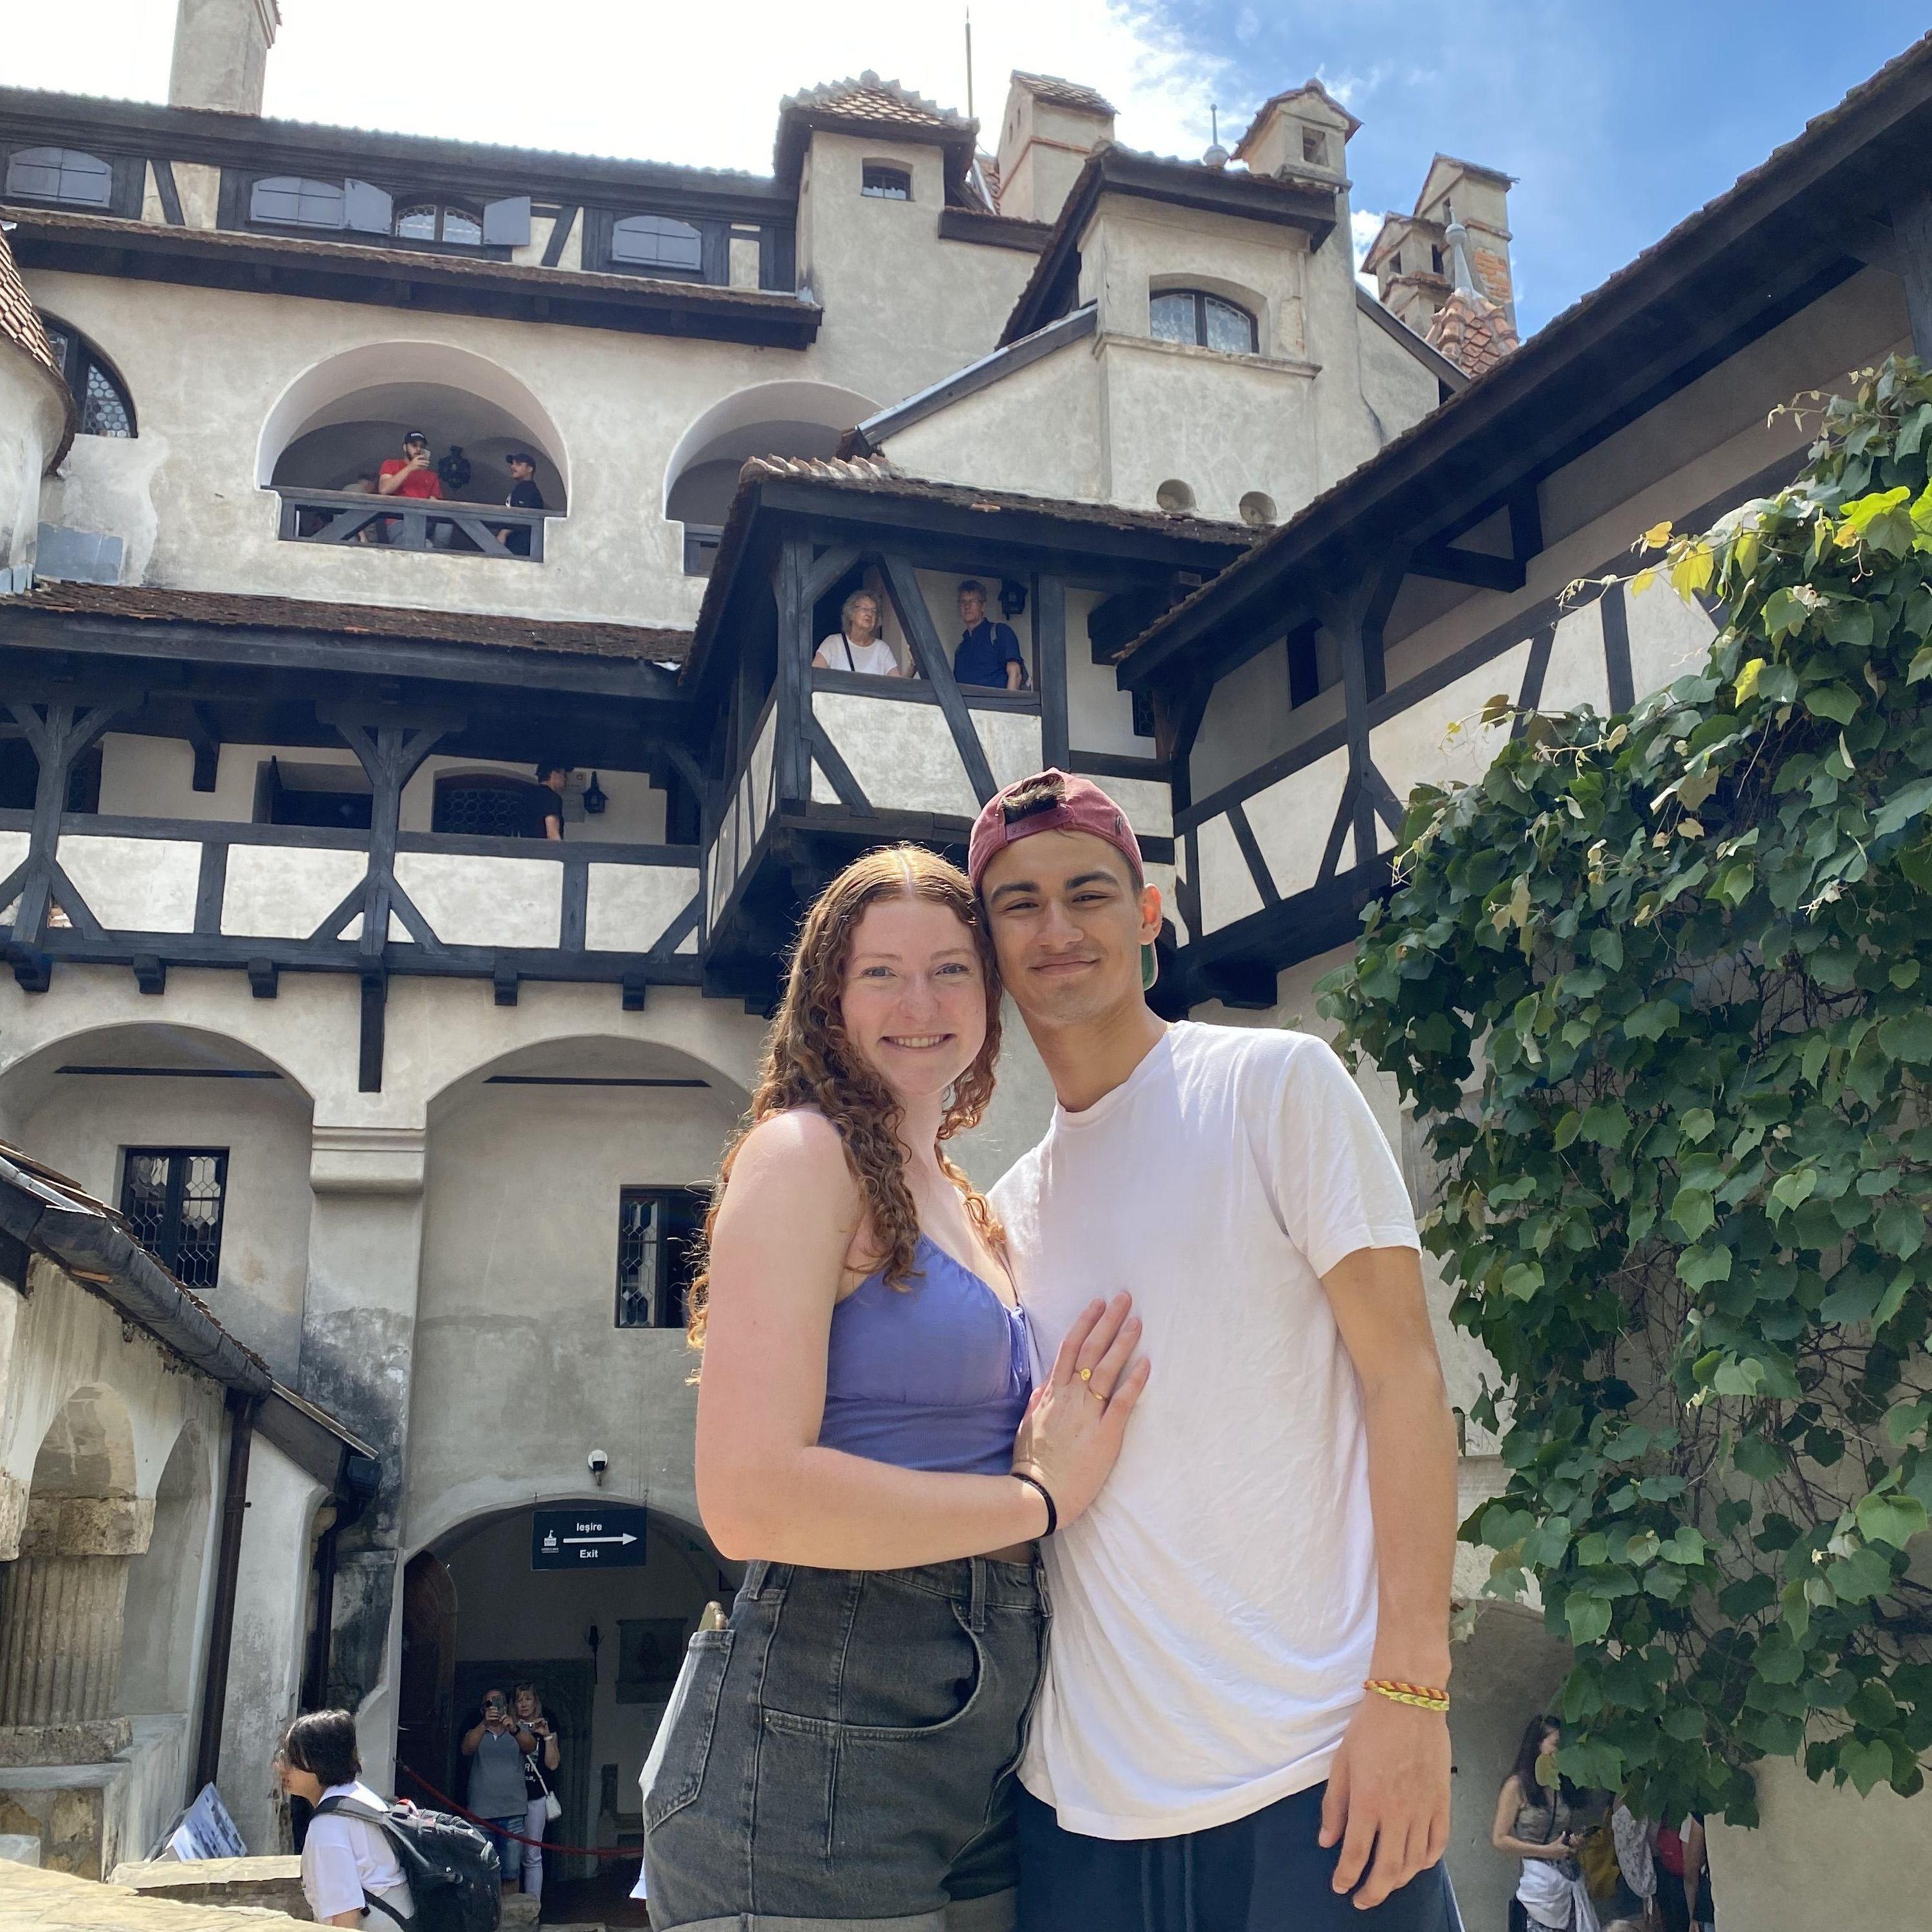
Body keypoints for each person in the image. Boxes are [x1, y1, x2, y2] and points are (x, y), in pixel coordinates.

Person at [965, 768, 1461, 1930]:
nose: (1054, 928)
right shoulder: (1009, 1207)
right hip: (1079, 1808)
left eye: (1086, 892)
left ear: (1146, 914)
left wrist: (1411, 1688)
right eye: (1016, 903)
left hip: (1314, 1774)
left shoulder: (1274, 1084)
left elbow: (1405, 1382)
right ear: (985, 943)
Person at [640, 843, 1149, 1931]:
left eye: (949, 968)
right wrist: (1035, 1500)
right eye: (879, 971)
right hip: (818, 1714)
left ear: (988, 991)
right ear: (827, 993)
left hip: (984, 1727)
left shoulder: (965, 1199)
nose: (916, 1001)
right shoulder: (799, 1152)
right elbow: (748, 1496)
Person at [278, 1709, 415, 1930]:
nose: (281, 1767)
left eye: (292, 1759)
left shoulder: (328, 1825)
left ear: (320, 1762)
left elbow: (345, 1916)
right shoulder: (359, 1797)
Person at [1491, 1717, 1589, 1932]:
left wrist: (1573, 1841)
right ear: (1538, 1745)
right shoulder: (1517, 1786)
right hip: (1537, 1883)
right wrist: (1545, 1851)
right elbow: (1500, 1839)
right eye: (1555, 1745)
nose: (1560, 1752)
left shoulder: (1564, 1783)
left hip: (1567, 1880)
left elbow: (1565, 1827)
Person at [462, 1686, 539, 1896]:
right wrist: (484, 1724)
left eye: (498, 1702)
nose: (494, 1707)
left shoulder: (517, 1731)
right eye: (489, 1703)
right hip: (481, 1815)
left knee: (512, 1873)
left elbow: (531, 1746)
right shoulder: (477, 1732)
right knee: (481, 1872)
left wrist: (513, 1729)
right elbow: (467, 1748)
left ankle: (513, 1922)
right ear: (482, 1708)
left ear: (506, 1706)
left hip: (512, 1813)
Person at [513, 1682, 561, 1901]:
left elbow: (552, 1765)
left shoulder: (546, 1727)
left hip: (536, 1797)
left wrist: (548, 1737)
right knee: (510, 1854)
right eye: (519, 1699)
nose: (524, 1704)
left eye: (528, 1699)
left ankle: (533, 1906)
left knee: (533, 1855)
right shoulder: (509, 1727)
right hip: (510, 1797)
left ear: (536, 1702)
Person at [953, 581, 1025, 690]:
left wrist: (1007, 706)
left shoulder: (1000, 632)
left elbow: (1015, 673)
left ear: (983, 607)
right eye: (963, 602)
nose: (967, 606)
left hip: (995, 705)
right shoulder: (961, 648)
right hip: (966, 706)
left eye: (973, 601)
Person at [813, 587, 900, 675]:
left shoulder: (882, 649)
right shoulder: (833, 643)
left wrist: (912, 666)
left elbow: (898, 685)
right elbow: (814, 677)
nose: (869, 614)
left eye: (874, 611)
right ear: (851, 614)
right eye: (865, 609)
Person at [497, 451, 545, 556]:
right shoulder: (521, 488)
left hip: (520, 546)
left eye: (518, 464)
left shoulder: (527, 489)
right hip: (516, 546)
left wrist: (503, 533)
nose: (513, 467)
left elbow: (521, 514)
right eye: (513, 464)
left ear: (529, 469)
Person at [376, 430, 442, 502]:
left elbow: (434, 505)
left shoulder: (432, 476)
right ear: (405, 448)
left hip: (419, 512)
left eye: (422, 447)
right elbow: (384, 490)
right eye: (414, 445)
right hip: (395, 511)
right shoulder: (390, 464)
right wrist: (410, 468)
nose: (418, 449)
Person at [533, 761, 567, 840]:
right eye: (564, 775)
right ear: (554, 775)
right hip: (545, 849)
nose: (565, 780)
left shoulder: (528, 795)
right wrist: (559, 851)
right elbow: (552, 832)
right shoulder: (551, 797)